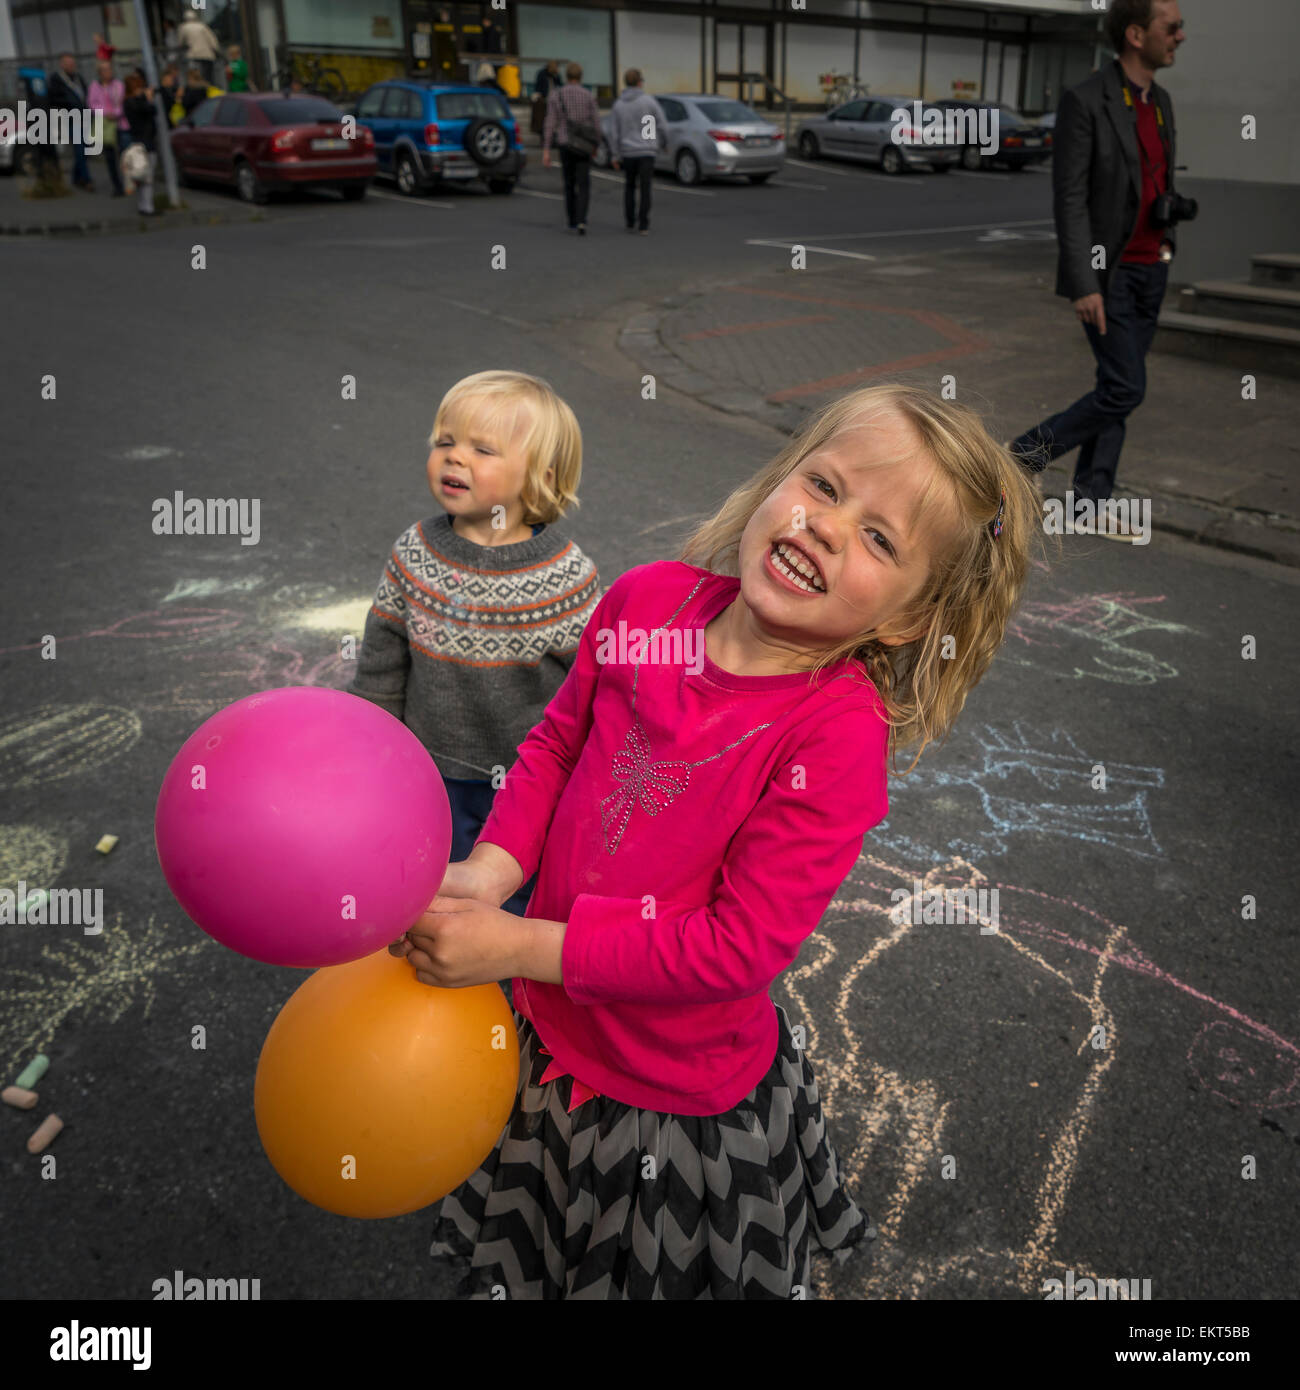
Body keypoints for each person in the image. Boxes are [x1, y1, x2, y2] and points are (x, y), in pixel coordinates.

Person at [389, 382, 1037, 1299]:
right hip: (542, 1029)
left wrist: (520, 946)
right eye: (823, 486)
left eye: (881, 539)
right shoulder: (648, 600)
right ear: (779, 480)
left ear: (904, 621)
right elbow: (557, 744)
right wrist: (491, 873)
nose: (826, 527)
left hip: (659, 1097)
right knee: (537, 1247)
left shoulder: (834, 737)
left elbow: (738, 948)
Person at [348, 371, 600, 920]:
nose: (454, 458)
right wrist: (370, 744)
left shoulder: (564, 578)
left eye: (482, 450)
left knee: (513, 891)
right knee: (427, 879)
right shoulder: (415, 553)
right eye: (445, 443)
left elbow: (595, 688)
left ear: (538, 476)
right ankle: (430, 966)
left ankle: (508, 980)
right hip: (425, 769)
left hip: (523, 783)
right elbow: (382, 656)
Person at [1009, 0, 1187, 540]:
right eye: (1171, 27)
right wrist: (1085, 281)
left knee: (1116, 384)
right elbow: (1070, 199)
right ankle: (1018, 458)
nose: (1181, 36)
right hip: (1107, 276)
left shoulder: (1162, 102)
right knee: (1126, 387)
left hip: (1151, 269)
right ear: (1136, 34)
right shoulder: (1085, 100)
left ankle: (1089, 503)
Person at [542, 62, 602, 235]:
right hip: (583, 145)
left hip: (564, 143)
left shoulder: (556, 95)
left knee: (568, 183)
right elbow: (596, 123)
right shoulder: (588, 95)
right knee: (584, 183)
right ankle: (583, 219)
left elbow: (550, 122)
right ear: (581, 77)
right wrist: (596, 143)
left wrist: (546, 149)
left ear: (566, 76)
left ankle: (572, 220)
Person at [609, 67, 665, 235]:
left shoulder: (619, 104)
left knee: (630, 186)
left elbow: (614, 132)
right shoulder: (649, 101)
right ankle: (644, 224)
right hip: (647, 150)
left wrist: (615, 153)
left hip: (628, 151)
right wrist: (662, 142)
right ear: (640, 82)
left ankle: (629, 220)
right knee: (646, 188)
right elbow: (661, 123)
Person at [47, 53, 93, 190]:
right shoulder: (56, 79)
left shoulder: (78, 78)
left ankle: (75, 177)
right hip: (70, 118)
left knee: (86, 150)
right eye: (68, 64)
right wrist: (69, 103)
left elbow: (85, 94)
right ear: (62, 65)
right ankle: (86, 180)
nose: (72, 66)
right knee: (80, 149)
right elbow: (53, 98)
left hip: (84, 117)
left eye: (73, 63)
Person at [121, 72, 159, 216]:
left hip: (138, 141)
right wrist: (149, 98)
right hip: (146, 142)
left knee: (143, 176)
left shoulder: (128, 102)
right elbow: (150, 110)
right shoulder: (134, 103)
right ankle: (148, 208)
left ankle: (143, 205)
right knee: (147, 176)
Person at [87, 59, 126, 196]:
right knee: (110, 157)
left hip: (120, 123)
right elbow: (92, 103)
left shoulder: (118, 85)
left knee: (124, 154)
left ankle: (128, 182)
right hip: (104, 125)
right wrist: (106, 113)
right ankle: (117, 185)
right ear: (99, 73)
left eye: (109, 69)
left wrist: (115, 113)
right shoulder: (94, 86)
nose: (107, 72)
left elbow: (121, 102)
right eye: (103, 70)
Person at [178, 8, 223, 87]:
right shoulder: (202, 26)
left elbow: (181, 42)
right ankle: (209, 90)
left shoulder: (183, 27)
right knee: (209, 77)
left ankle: (200, 90)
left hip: (194, 55)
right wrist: (217, 51)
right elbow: (213, 40)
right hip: (207, 55)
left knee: (196, 76)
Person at [530, 59, 560, 137]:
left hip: (554, 99)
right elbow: (538, 88)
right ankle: (543, 134)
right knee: (542, 119)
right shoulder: (542, 74)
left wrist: (556, 76)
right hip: (543, 100)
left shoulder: (555, 75)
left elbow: (560, 85)